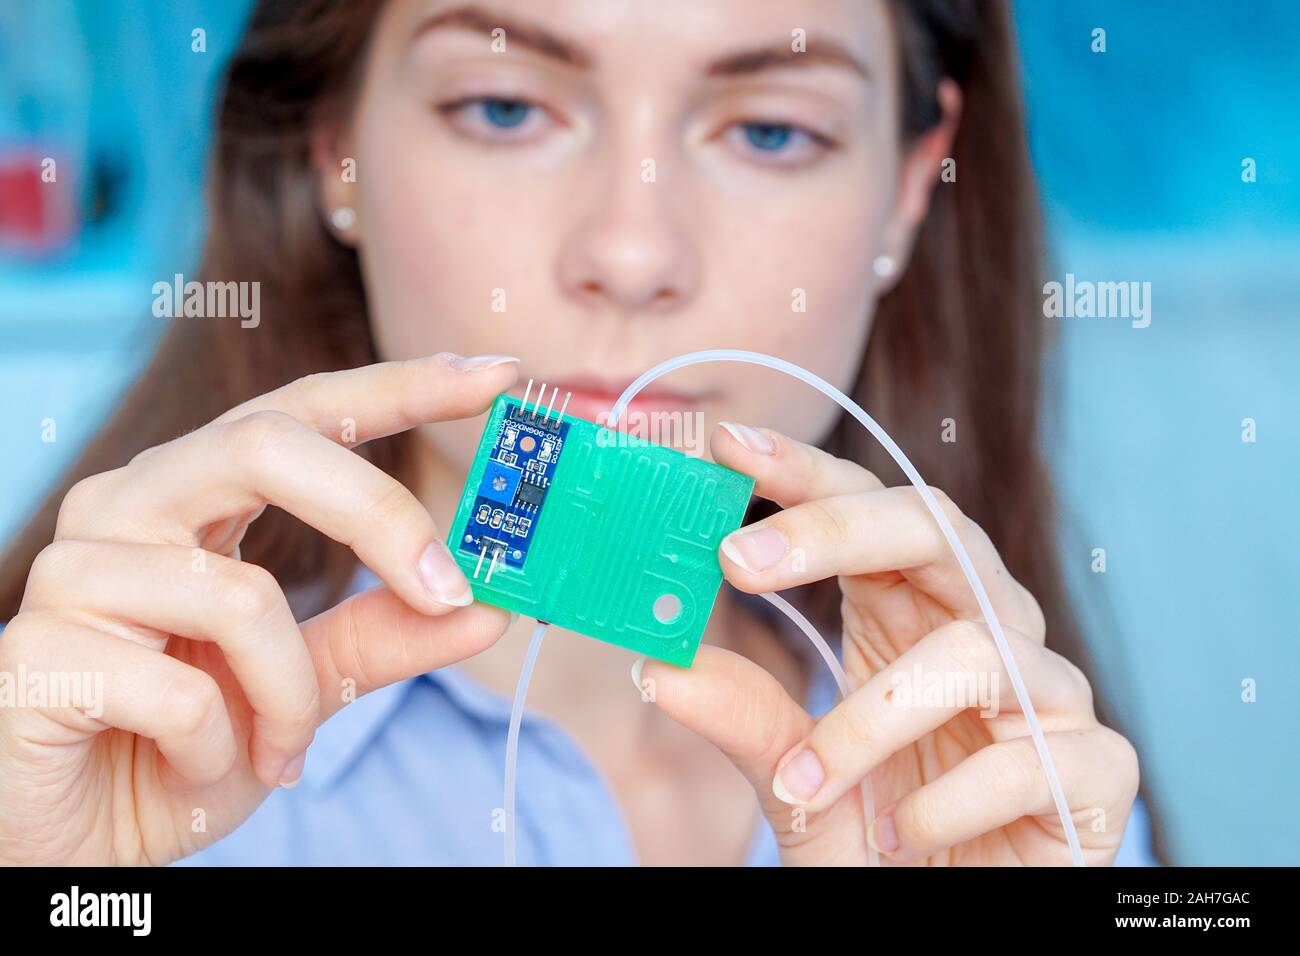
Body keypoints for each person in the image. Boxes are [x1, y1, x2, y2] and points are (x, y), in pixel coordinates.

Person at [0, 0, 1145, 866]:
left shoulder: (1021, 782)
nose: (633, 253)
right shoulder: (73, 769)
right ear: (331, 149)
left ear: (908, 183)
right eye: (504, 108)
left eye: (770, 132)